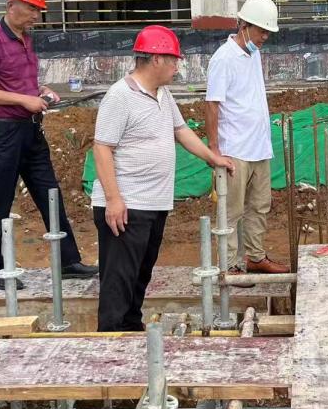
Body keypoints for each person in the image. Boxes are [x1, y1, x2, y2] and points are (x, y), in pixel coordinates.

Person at [91, 25, 235, 332]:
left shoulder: (163, 95)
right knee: (119, 279)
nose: (177, 67)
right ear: (156, 59)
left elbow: (180, 131)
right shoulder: (120, 96)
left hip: (154, 203)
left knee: (140, 274)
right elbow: (102, 148)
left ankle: (131, 329)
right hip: (127, 204)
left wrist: (212, 157)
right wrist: (114, 199)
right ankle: (111, 340)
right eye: (173, 60)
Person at [0, 0, 98, 291]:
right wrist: (23, 100)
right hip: (2, 134)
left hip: (29, 131)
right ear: (12, 4)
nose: (36, 16)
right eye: (31, 9)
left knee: (50, 193)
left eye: (38, 10)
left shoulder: (25, 39)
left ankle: (68, 261)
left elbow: (16, 82)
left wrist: (40, 91)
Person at [205, 0, 288, 281]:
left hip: (258, 147)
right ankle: (230, 265)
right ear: (244, 25)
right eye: (261, 31)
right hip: (235, 150)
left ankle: (255, 256)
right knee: (231, 211)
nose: (265, 37)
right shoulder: (223, 59)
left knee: (259, 206)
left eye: (268, 32)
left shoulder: (254, 54)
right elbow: (212, 104)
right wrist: (215, 149)